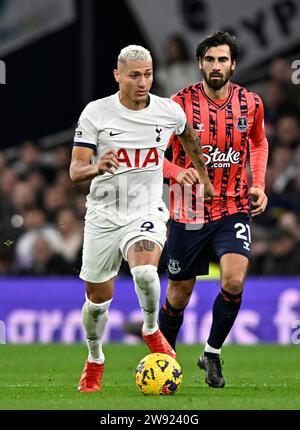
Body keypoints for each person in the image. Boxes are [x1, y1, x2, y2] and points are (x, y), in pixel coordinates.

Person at [69, 45, 214, 392]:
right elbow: (75, 171)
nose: (142, 81)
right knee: (97, 303)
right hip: (104, 214)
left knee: (147, 272)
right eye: (134, 75)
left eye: (148, 74)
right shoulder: (96, 113)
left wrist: (203, 178)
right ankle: (94, 359)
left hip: (145, 210)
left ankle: (151, 329)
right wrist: (95, 167)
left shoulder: (168, 111)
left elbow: (190, 139)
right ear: (118, 75)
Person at [159, 32, 268, 388]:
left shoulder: (250, 103)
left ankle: (212, 352)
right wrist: (178, 172)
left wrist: (259, 184)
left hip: (233, 207)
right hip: (188, 211)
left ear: (233, 64)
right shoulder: (178, 105)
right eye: (210, 60)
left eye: (222, 60)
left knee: (234, 279)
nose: (216, 66)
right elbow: (153, 155)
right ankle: (163, 360)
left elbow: (258, 141)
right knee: (179, 293)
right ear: (200, 64)